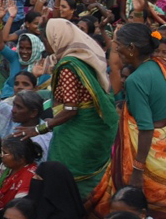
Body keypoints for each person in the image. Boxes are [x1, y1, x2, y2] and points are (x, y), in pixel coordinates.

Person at [92, 23, 166, 219]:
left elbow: (146, 128)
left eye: (118, 45)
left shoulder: (135, 80)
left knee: (135, 210)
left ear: (131, 49)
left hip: (150, 157)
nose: (116, 49)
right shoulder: (164, 65)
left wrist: (137, 169)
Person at [37, 20, 117, 199]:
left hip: (78, 134)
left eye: (47, 40)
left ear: (56, 39)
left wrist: (39, 128)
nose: (46, 45)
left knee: (65, 178)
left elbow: (71, 109)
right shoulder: (81, 57)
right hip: (91, 130)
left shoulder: (68, 66)